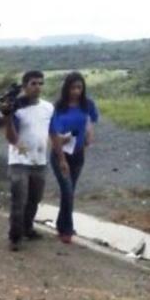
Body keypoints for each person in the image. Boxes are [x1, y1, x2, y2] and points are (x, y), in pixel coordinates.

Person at [5, 70, 54, 251]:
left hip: (39, 161)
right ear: (25, 86)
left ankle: (28, 229)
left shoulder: (48, 107)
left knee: (34, 199)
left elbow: (51, 131)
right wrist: (9, 117)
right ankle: (15, 237)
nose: (37, 87)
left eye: (40, 83)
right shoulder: (17, 109)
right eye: (33, 83)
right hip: (19, 162)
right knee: (19, 201)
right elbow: (11, 138)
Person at [49, 72, 99, 243]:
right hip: (60, 154)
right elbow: (54, 135)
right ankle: (67, 230)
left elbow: (90, 123)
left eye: (79, 87)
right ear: (66, 88)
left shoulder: (87, 105)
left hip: (77, 155)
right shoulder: (58, 107)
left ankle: (61, 224)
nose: (76, 91)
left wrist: (88, 137)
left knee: (68, 193)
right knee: (67, 191)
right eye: (72, 88)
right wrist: (62, 159)